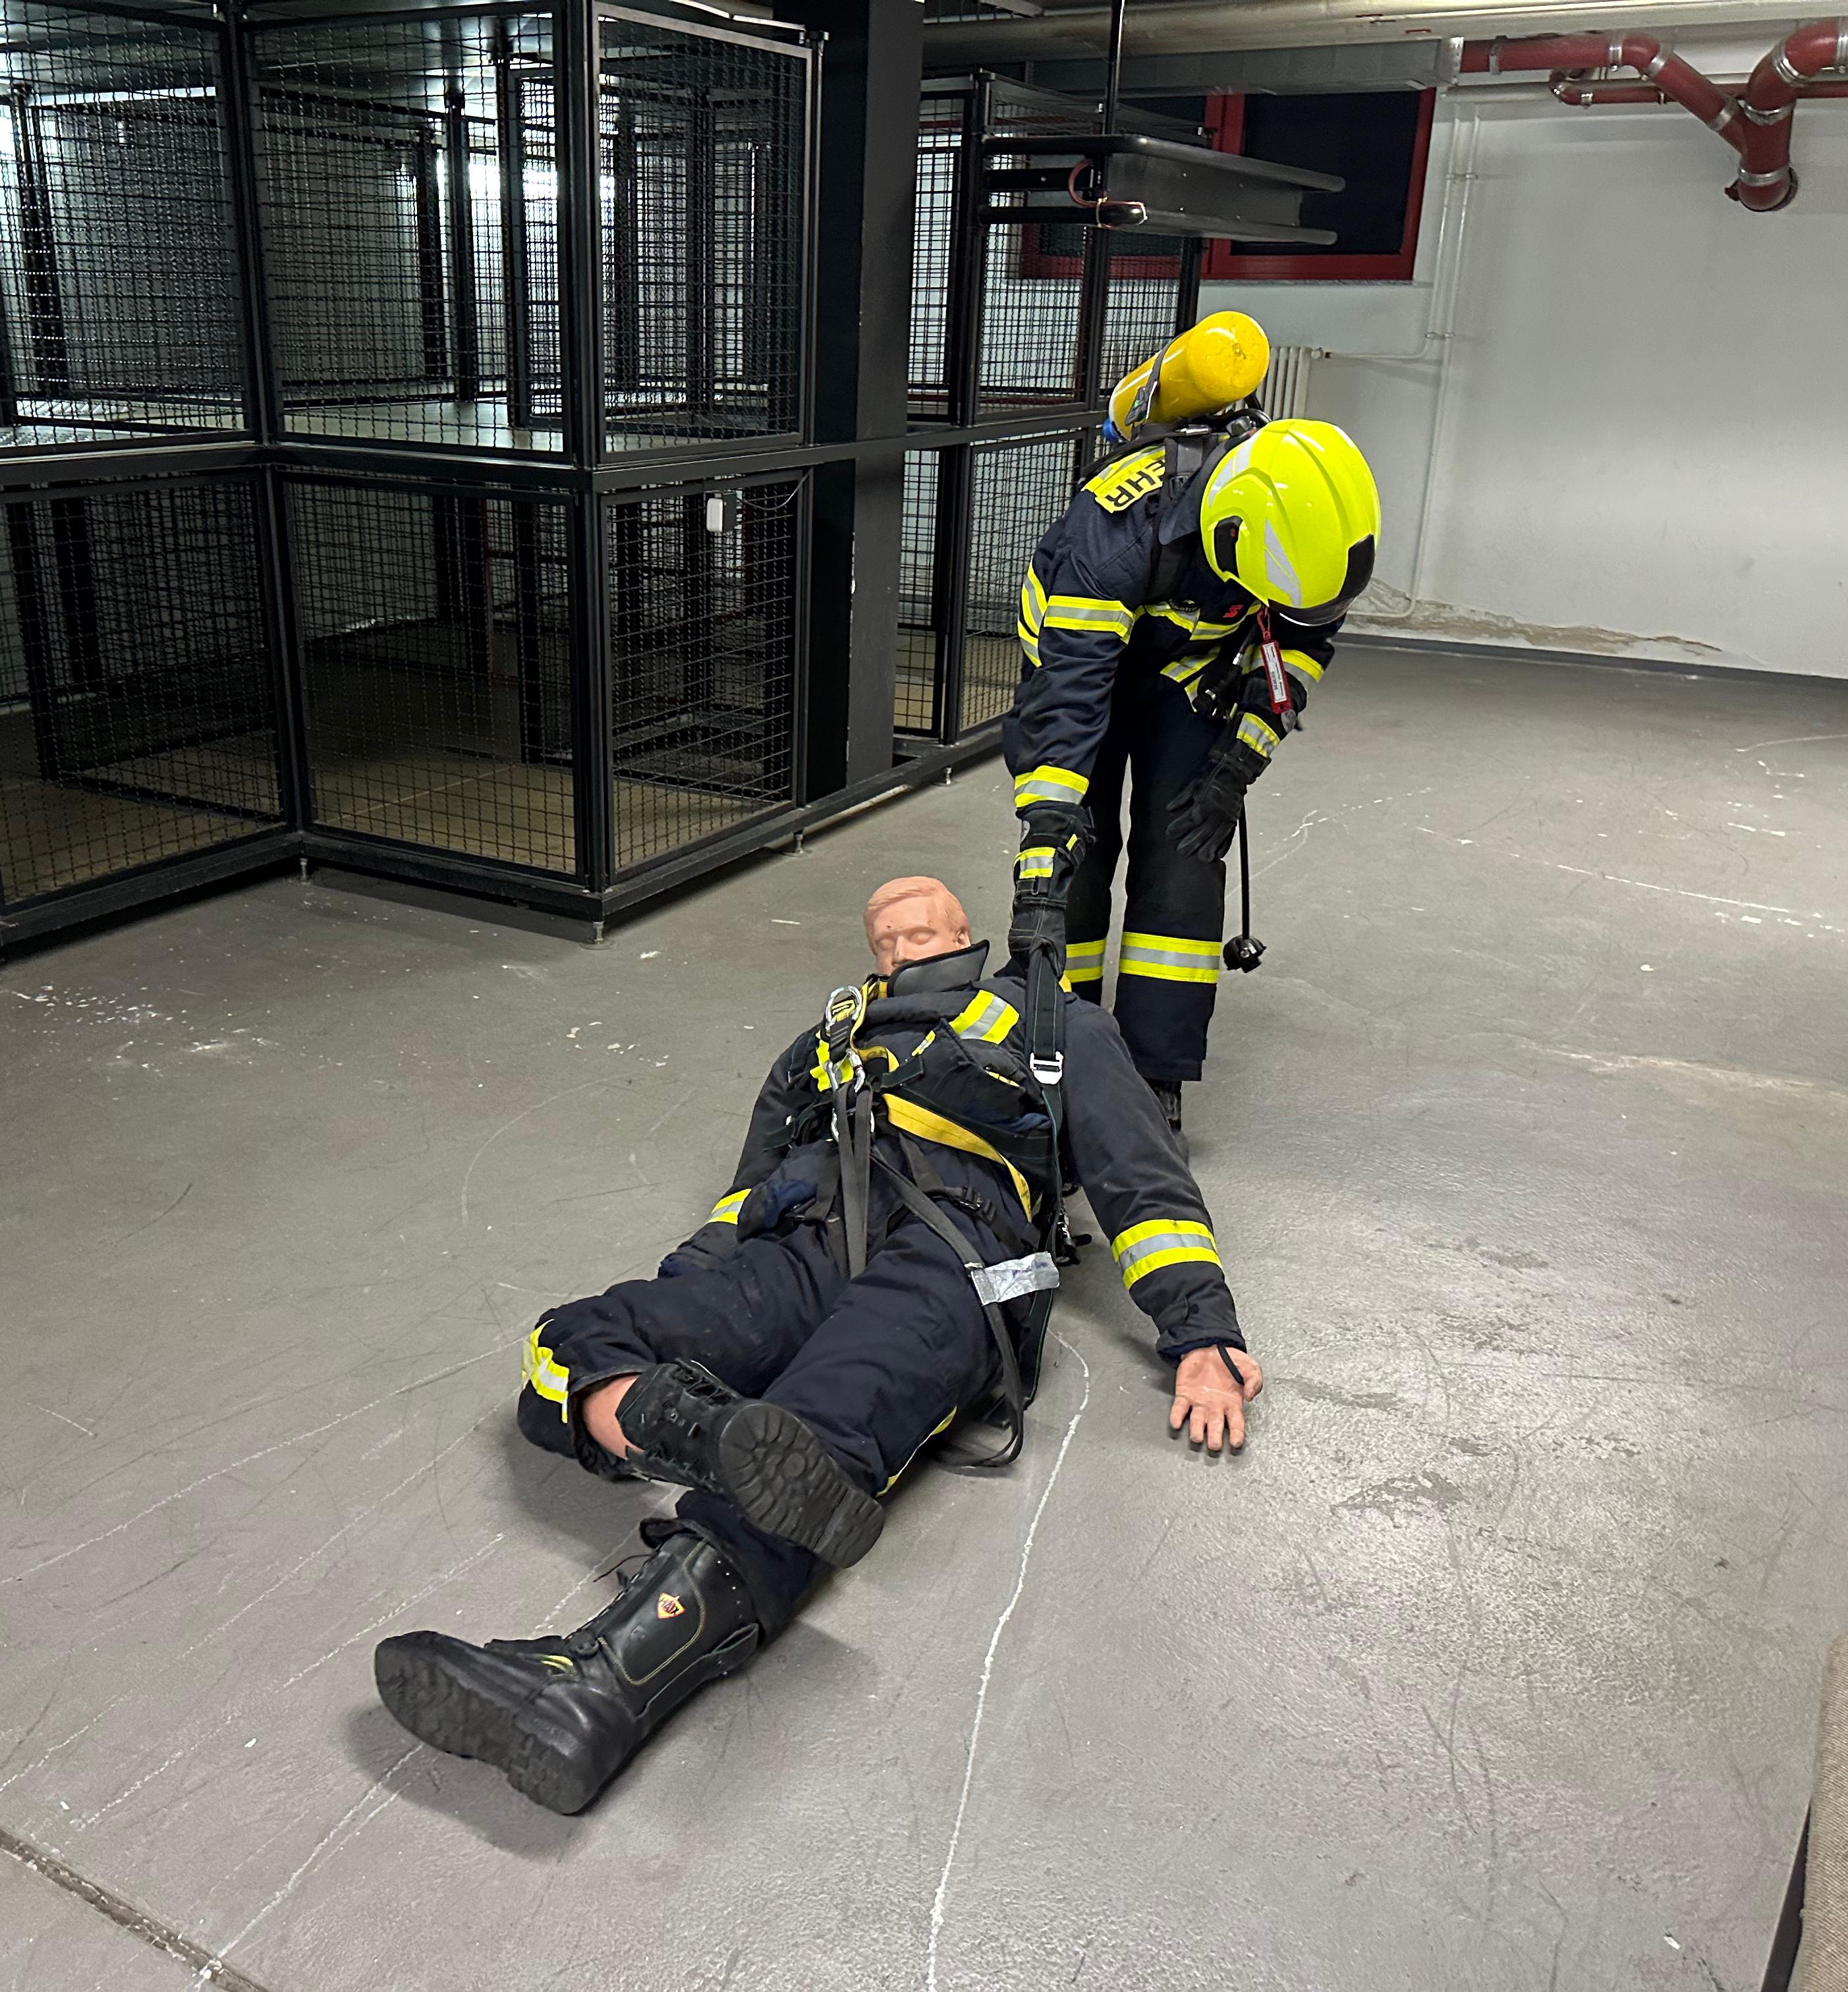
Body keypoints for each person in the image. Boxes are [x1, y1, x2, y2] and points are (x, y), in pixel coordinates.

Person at [372, 876, 1264, 1815]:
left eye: (918, 927)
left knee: (819, 1429)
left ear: (965, 931)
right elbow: (745, 1191)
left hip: (953, 1252)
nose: (898, 943)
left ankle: (602, 1683)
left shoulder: (1051, 1024)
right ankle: (694, 1435)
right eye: (882, 935)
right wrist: (690, 1303)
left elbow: (1141, 1176)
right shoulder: (824, 1045)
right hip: (803, 1240)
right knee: (573, 1339)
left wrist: (1200, 1329)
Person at [1005, 316, 1383, 1130]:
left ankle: (1154, 1074)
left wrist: (1236, 766)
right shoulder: (1114, 529)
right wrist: (1045, 835)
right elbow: (1072, 694)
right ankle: (1061, 1051)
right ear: (1228, 540)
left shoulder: (1308, 528)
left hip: (1186, 674)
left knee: (1185, 854)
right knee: (1076, 855)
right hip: (1077, 669)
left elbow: (1299, 650)